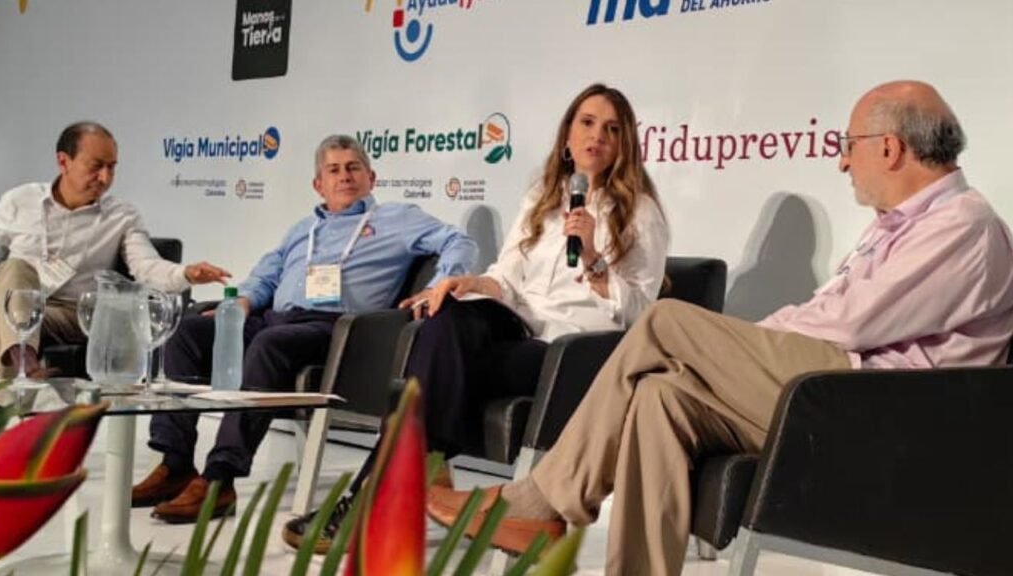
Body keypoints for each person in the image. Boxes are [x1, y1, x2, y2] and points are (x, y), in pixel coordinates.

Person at [426, 80, 1013, 575]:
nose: (841, 161)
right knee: (660, 397)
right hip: (831, 391)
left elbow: (849, 323)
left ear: (889, 148)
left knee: (667, 320)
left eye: (847, 145)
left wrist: (744, 339)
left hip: (877, 412)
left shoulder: (961, 225)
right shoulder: (894, 228)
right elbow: (834, 314)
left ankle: (545, 499)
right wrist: (746, 341)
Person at [282, 84, 670, 551]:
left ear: (625, 143)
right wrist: (469, 284)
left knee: (434, 370)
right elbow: (508, 277)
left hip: (571, 354)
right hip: (520, 328)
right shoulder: (543, 197)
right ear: (568, 133)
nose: (597, 136)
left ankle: (381, 495)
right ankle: (403, 480)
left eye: (612, 129)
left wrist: (592, 258)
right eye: (587, 123)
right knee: (444, 320)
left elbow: (643, 316)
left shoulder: (640, 213)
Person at [133, 134, 479, 523]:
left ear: (371, 177)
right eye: (334, 170)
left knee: (270, 344)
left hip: (339, 331)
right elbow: (266, 275)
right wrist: (243, 301)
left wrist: (440, 283)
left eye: (354, 168)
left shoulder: (397, 219)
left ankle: (220, 476)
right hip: (276, 319)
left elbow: (459, 241)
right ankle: (175, 462)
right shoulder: (303, 229)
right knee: (187, 333)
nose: (345, 176)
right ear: (319, 184)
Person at [0, 121, 230, 378]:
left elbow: (146, 266)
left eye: (111, 167)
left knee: (3, 311)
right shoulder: (20, 200)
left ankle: (18, 375)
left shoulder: (121, 216)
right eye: (96, 166)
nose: (105, 178)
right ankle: (23, 371)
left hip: (73, 312)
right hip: (20, 302)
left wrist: (187, 273)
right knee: (15, 272)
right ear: (63, 161)